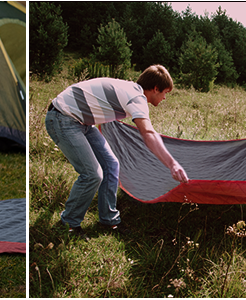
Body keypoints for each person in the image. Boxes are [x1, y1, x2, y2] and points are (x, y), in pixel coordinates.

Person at [45, 65, 190, 239]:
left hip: (81, 121)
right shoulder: (136, 98)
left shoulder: (130, 89)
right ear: (155, 88)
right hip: (63, 118)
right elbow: (148, 133)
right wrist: (172, 164)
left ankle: (108, 220)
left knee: (111, 165)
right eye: (165, 92)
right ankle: (69, 223)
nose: (165, 97)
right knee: (92, 174)